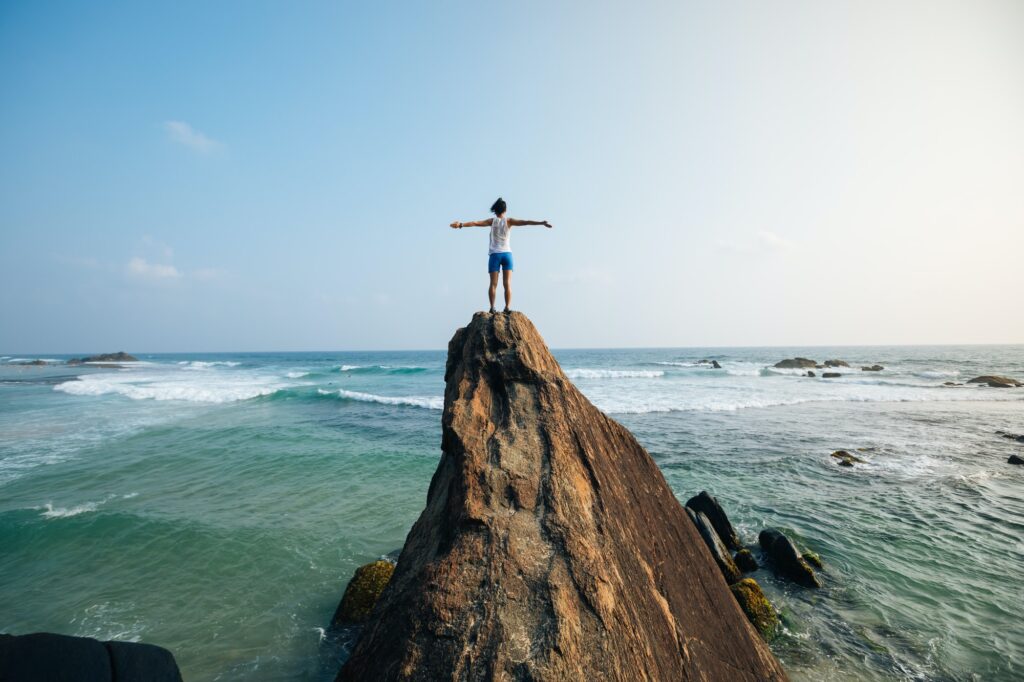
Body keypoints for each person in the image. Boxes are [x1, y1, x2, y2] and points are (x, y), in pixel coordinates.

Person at [450, 197, 552, 313]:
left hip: (495, 255)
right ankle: (507, 307)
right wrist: (541, 223)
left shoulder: (492, 221)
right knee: (507, 283)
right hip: (507, 255)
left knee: (493, 284)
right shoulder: (509, 221)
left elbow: (475, 223)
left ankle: (492, 307)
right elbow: (526, 222)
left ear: (495, 210)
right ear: (505, 210)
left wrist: (461, 225)